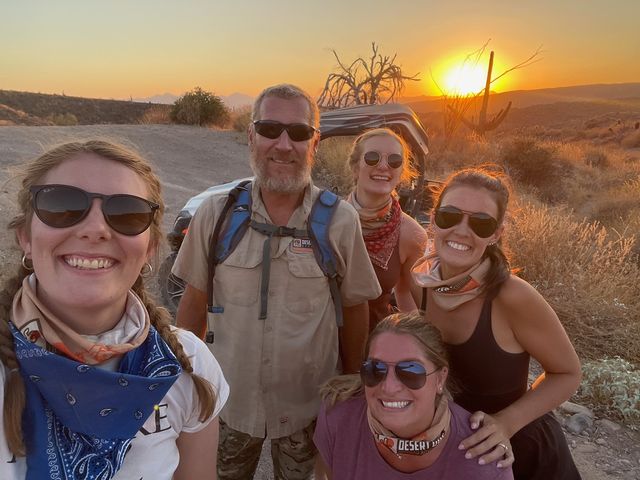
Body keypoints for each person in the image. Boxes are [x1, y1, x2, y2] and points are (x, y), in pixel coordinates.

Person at [172, 83, 381, 480]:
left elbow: (356, 306)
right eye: (270, 129)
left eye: (299, 133)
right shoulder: (215, 214)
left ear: (314, 143)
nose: (283, 144)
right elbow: (195, 302)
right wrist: (184, 381)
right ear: (251, 135)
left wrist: (353, 384)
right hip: (228, 403)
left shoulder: (339, 221)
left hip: (306, 408)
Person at [0, 140, 229, 480]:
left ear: (150, 248)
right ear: (26, 237)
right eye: (61, 205)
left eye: (127, 213)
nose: (95, 230)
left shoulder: (187, 365)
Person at [411, 166, 582, 479]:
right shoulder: (422, 283)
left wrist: (507, 422)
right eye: (450, 215)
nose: (462, 231)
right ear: (433, 219)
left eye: (480, 222)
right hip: (451, 450)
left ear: (496, 233)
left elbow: (568, 373)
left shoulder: (511, 296)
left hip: (518, 453)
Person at [313, 312, 514, 479]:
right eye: (375, 369)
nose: (389, 387)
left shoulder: (485, 461)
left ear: (440, 379)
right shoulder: (337, 418)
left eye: (410, 371)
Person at [346, 128, 428, 331]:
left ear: (401, 173)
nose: (383, 166)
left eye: (394, 161)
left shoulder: (412, 234)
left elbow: (405, 293)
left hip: (374, 345)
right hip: (322, 341)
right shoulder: (327, 219)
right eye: (372, 158)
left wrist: (414, 340)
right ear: (356, 167)